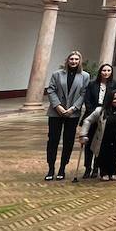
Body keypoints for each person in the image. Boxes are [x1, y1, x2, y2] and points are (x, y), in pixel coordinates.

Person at [44, 51, 89, 181]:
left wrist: (73, 108)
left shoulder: (85, 76)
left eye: (76, 59)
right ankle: (51, 168)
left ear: (80, 61)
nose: (73, 61)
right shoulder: (57, 74)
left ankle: (62, 168)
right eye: (71, 59)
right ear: (67, 60)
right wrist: (57, 106)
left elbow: (83, 93)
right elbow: (51, 90)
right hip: (55, 112)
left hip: (72, 113)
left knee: (68, 141)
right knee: (53, 140)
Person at [78, 89, 116, 181]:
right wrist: (83, 134)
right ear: (109, 100)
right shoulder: (100, 110)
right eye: (115, 99)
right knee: (103, 155)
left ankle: (113, 172)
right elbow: (87, 120)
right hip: (103, 138)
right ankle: (104, 173)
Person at [79, 62, 116, 178]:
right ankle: (87, 167)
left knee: (100, 144)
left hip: (105, 117)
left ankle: (96, 167)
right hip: (91, 115)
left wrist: (103, 113)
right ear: (100, 72)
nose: (106, 73)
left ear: (111, 72)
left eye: (108, 71)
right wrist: (93, 112)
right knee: (89, 143)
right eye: (104, 70)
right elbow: (87, 100)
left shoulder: (115, 85)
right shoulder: (92, 85)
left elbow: (115, 101)